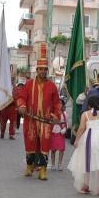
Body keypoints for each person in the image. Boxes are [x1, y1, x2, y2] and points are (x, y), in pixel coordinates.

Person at [16, 43, 61, 181]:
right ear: (37, 70)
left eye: (44, 69)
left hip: (46, 121)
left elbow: (57, 104)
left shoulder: (52, 86)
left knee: (45, 144)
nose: (42, 71)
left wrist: (55, 115)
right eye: (40, 69)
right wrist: (22, 106)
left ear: (47, 71)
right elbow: (21, 97)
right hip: (30, 119)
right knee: (30, 142)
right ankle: (30, 167)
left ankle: (43, 170)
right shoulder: (29, 84)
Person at [67, 95, 99, 195]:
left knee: (86, 160)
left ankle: (86, 185)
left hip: (88, 139)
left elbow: (81, 128)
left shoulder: (85, 114)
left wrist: (76, 140)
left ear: (88, 105)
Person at [50, 98, 68, 171]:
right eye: (58, 103)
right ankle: (53, 164)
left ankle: (60, 164)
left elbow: (66, 123)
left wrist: (65, 129)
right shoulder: (52, 114)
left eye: (61, 103)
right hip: (54, 131)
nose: (59, 105)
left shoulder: (65, 114)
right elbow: (50, 122)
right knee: (53, 150)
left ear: (63, 105)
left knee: (61, 149)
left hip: (61, 133)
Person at [0, 75, 18, 140]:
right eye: (10, 79)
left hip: (12, 107)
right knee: (3, 121)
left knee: (13, 121)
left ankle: (11, 134)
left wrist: (17, 106)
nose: (11, 81)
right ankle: (2, 132)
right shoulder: (3, 88)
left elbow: (18, 97)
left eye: (13, 79)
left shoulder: (15, 88)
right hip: (4, 106)